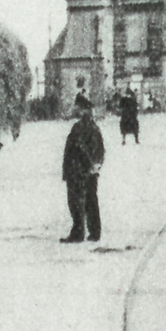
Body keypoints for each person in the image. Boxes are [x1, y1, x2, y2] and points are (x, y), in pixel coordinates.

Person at [61, 94, 104, 243]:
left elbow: (79, 148)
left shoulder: (79, 127)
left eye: (77, 107)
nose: (75, 109)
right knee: (91, 200)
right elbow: (101, 150)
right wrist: (96, 165)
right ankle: (95, 232)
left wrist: (88, 164)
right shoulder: (94, 127)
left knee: (76, 202)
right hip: (90, 171)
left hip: (78, 171)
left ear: (83, 109)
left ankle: (78, 233)